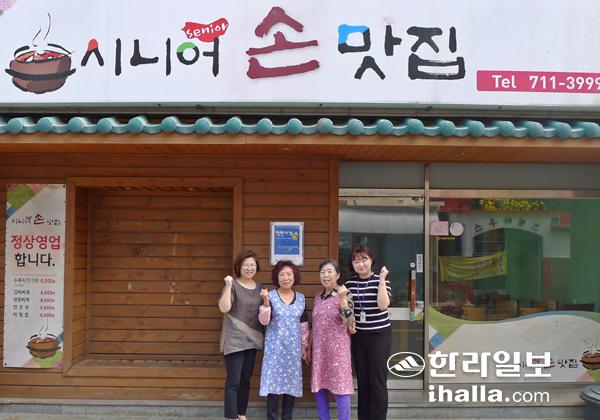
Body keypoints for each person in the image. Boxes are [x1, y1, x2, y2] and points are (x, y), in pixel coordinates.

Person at [258, 260, 309, 420]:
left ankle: (287, 417)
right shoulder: (270, 296)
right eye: (282, 275)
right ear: (276, 277)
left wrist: (304, 346)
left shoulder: (301, 298)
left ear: (294, 276)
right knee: (273, 387)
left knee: (290, 386)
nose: (286, 278)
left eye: (289, 274)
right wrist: (266, 303)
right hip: (275, 349)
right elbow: (264, 321)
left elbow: (303, 324)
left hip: (293, 350)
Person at [345, 245, 391, 420]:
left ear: (371, 260)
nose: (361, 264)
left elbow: (383, 305)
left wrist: (381, 280)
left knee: (377, 381)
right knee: (363, 381)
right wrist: (350, 323)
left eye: (364, 259)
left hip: (379, 336)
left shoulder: (381, 280)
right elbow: (347, 310)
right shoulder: (349, 284)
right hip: (359, 337)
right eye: (356, 261)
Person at [218, 250, 264, 420]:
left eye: (252, 265)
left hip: (253, 340)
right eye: (246, 265)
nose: (249, 268)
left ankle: (241, 413)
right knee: (234, 380)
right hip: (234, 340)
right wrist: (228, 285)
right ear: (239, 267)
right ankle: (231, 416)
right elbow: (224, 308)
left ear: (256, 267)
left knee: (245, 379)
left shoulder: (260, 288)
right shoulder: (233, 285)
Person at [310, 259, 355, 420]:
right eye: (322, 272)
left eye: (329, 272)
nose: (326, 275)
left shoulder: (345, 293)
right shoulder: (318, 297)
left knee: (341, 387)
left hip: (338, 350)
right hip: (319, 349)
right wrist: (309, 346)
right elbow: (314, 324)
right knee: (320, 387)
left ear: (338, 275)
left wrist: (342, 300)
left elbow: (349, 321)